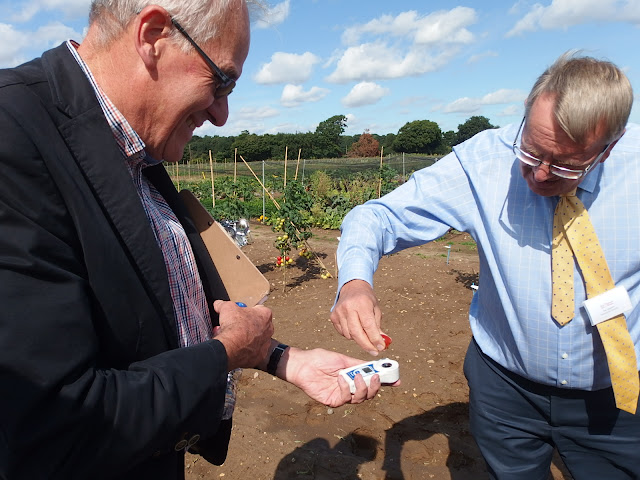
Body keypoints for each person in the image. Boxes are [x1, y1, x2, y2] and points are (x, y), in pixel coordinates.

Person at [0, 1, 386, 478]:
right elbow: (54, 424)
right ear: (154, 35)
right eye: (221, 81)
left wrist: (280, 358)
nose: (223, 115)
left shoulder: (137, 149)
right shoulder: (12, 137)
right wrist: (226, 354)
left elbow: (150, 321)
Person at [331, 52, 640, 479]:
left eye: (567, 164)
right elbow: (378, 217)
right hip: (505, 392)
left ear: (610, 146)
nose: (540, 174)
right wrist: (355, 283)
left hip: (618, 397)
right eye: (531, 152)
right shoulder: (484, 162)